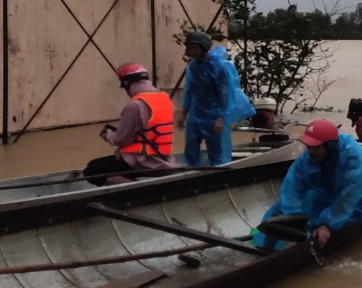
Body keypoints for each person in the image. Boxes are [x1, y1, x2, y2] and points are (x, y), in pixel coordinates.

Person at [252, 118, 362, 251]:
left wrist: (328, 224)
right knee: (278, 210)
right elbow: (292, 186)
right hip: (326, 191)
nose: (310, 150)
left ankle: (303, 245)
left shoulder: (355, 159)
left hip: (359, 200)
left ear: (330, 145)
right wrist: (293, 217)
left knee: (318, 226)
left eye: (315, 146)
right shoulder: (310, 155)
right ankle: (259, 250)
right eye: (308, 146)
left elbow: (348, 198)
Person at [83, 63, 175, 186]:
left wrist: (108, 135)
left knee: (91, 171)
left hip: (142, 160)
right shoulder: (164, 99)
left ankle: (141, 191)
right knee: (95, 164)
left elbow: (121, 140)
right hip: (164, 159)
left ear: (127, 84)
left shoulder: (134, 105)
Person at [179, 31, 231, 167]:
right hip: (195, 115)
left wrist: (220, 118)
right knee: (190, 149)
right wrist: (183, 114)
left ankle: (217, 175)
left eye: (194, 48)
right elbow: (189, 91)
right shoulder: (192, 66)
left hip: (213, 115)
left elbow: (224, 94)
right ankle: (191, 175)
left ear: (203, 48)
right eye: (189, 49)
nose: (191, 52)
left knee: (215, 151)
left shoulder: (218, 67)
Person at [209, 36, 256, 160]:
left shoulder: (221, 68)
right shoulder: (225, 66)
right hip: (220, 108)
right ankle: (222, 159)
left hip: (219, 109)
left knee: (219, 136)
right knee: (219, 136)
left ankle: (221, 160)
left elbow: (227, 90)